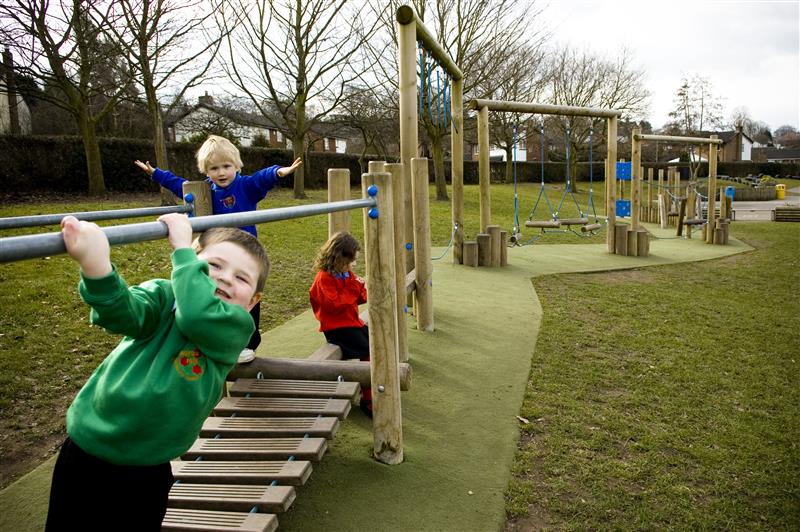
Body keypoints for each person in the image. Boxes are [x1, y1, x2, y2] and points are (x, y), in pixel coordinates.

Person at [45, 213, 269, 531]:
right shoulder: (163, 294)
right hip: (88, 447)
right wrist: (96, 265)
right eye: (214, 265)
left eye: (242, 278)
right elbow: (123, 313)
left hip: (149, 465)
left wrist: (181, 248)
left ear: (253, 302)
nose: (225, 279)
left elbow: (196, 313)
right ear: (192, 263)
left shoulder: (236, 326)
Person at [135, 135, 300, 364]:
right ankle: (215, 338)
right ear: (206, 170)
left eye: (226, 166)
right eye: (214, 168)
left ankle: (247, 343)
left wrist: (278, 172)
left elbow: (262, 179)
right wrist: (156, 174)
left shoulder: (245, 187)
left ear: (236, 166)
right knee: (214, 294)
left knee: (246, 297)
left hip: (245, 254)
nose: (221, 173)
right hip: (218, 253)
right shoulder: (205, 190)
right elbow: (177, 183)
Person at [308, 232, 372, 417]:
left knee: (374, 343)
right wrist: (354, 287)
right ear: (337, 258)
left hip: (351, 322)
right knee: (367, 350)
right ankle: (368, 398)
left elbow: (361, 297)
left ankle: (368, 387)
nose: (352, 266)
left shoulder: (346, 274)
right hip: (336, 328)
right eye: (349, 262)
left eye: (353, 262)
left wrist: (357, 288)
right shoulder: (324, 278)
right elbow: (334, 304)